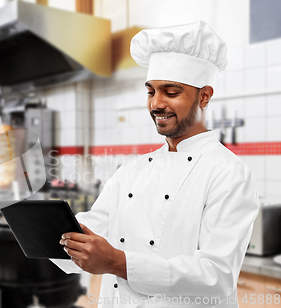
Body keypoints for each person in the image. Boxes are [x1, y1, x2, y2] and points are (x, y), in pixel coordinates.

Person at [50, 21, 259, 308]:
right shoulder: (131, 172)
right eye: (151, 92)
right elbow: (92, 230)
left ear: (205, 96)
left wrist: (116, 261)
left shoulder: (228, 173)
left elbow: (217, 276)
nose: (156, 104)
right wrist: (48, 233)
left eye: (170, 92)